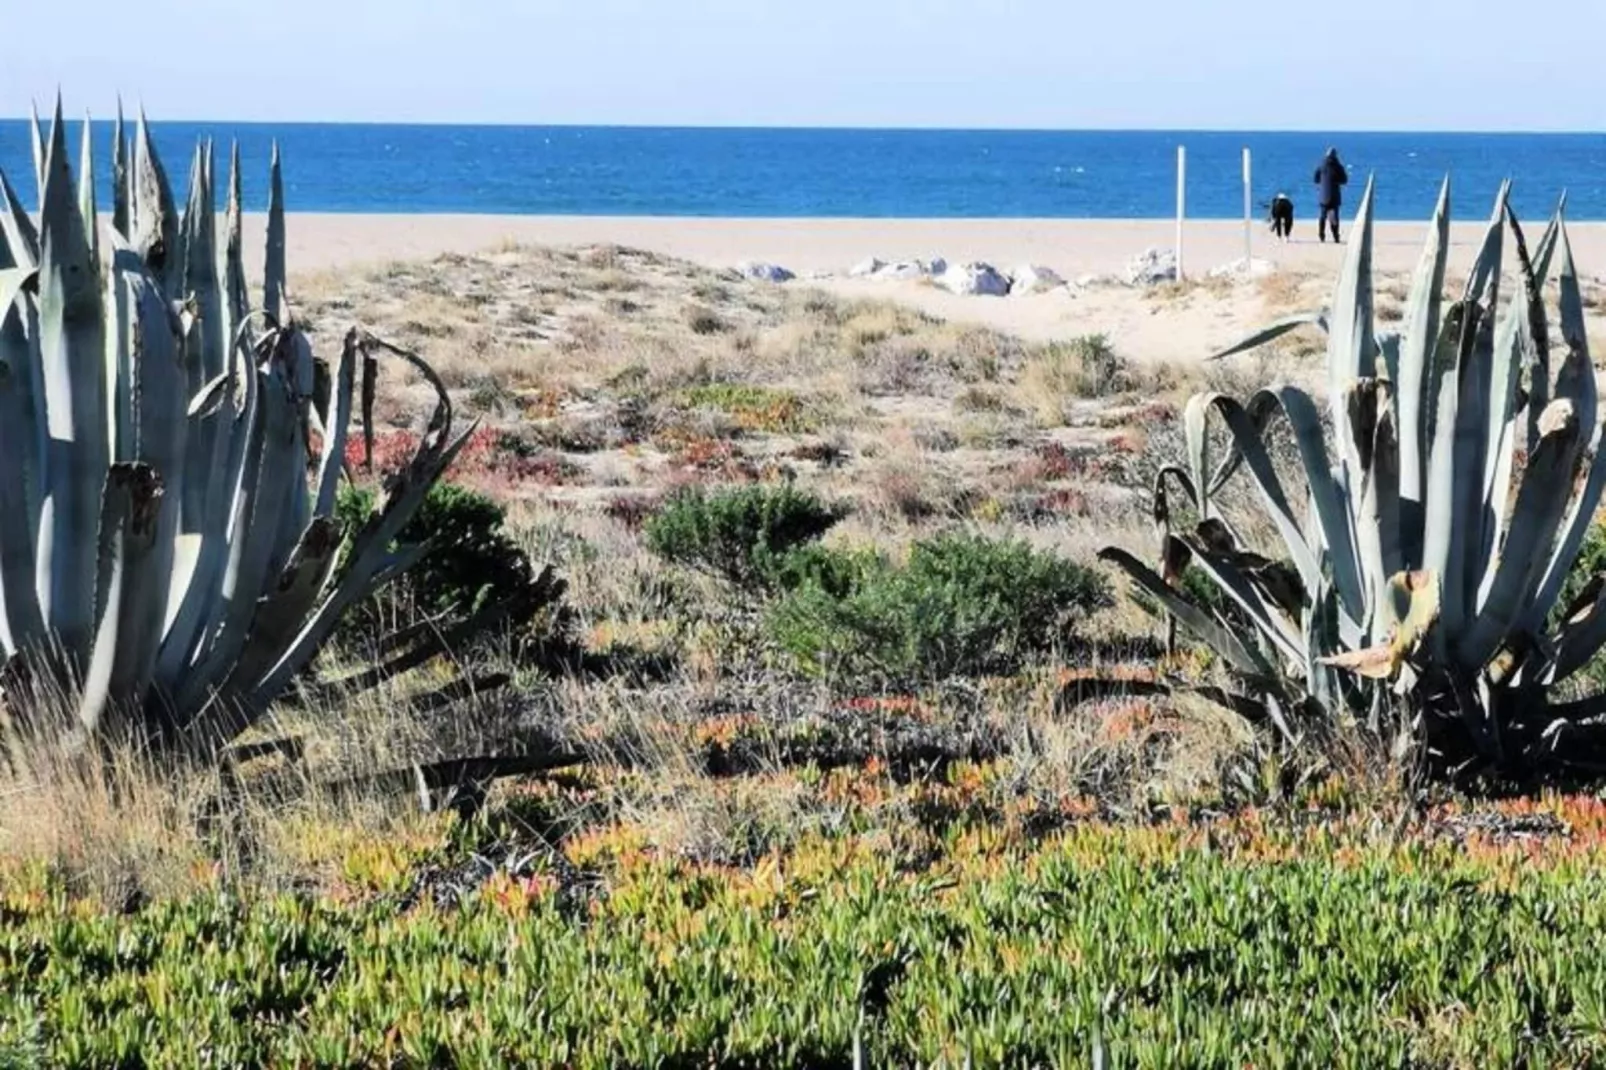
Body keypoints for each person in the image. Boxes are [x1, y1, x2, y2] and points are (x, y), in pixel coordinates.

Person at [1313, 147, 1349, 243]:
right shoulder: (1338, 166)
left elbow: (1315, 179)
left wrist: (1323, 181)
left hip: (1324, 196)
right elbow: (1345, 180)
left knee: (1323, 216)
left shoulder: (1321, 165)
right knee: (1333, 217)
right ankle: (1336, 236)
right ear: (1335, 155)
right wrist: (1336, 180)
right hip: (1334, 197)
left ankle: (1321, 235)